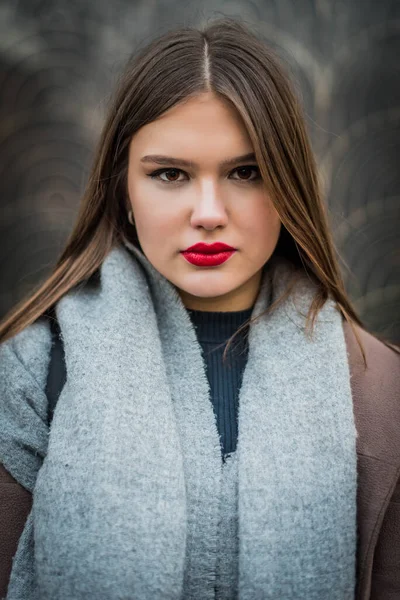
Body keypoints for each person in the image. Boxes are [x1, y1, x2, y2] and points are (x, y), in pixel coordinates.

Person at [0, 17, 399, 600]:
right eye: (170, 174)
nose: (208, 211)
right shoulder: (29, 377)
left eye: (246, 172)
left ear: (288, 186)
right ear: (124, 191)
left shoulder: (382, 390)